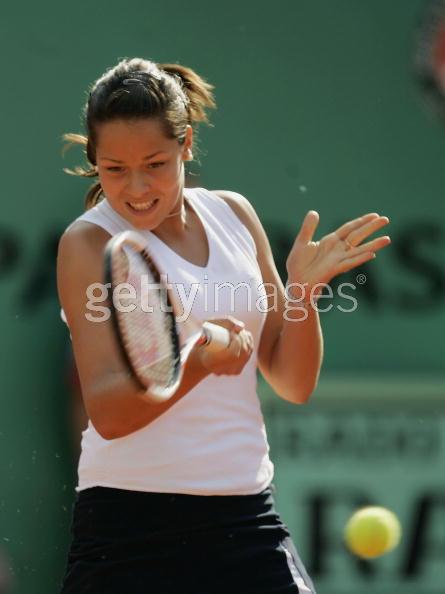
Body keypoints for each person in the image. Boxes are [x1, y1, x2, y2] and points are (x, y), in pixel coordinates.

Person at [57, 57, 391, 594]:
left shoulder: (234, 215)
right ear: (94, 161)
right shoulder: (87, 244)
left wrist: (302, 294)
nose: (137, 187)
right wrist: (197, 363)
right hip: (129, 531)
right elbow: (109, 413)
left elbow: (293, 382)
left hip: (245, 517)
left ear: (186, 145)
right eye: (114, 168)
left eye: (156, 163)